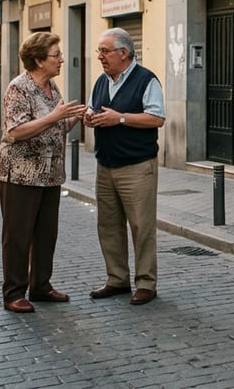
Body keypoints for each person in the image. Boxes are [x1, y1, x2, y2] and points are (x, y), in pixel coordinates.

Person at [0, 32, 87, 313]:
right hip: (20, 173)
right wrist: (54, 117)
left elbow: (54, 127)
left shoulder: (51, 87)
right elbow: (16, 130)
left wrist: (75, 117)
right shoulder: (18, 88)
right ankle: (13, 293)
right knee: (18, 234)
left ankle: (41, 286)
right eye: (55, 55)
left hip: (49, 174)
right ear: (38, 60)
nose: (61, 59)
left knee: (47, 233)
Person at [84, 28, 166, 306]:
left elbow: (156, 118)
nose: (100, 56)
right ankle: (117, 279)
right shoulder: (101, 81)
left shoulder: (147, 80)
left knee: (141, 226)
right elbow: (97, 109)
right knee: (108, 225)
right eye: (99, 51)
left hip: (137, 166)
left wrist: (120, 119)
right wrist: (90, 116)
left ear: (124, 53)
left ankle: (146, 283)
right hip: (105, 164)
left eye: (104, 51)